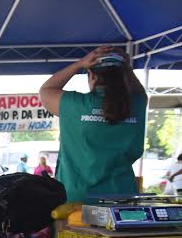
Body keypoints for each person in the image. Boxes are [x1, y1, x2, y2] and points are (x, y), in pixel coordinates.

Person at [39, 46, 146, 202]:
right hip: (122, 197)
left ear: (92, 77)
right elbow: (139, 92)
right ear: (123, 77)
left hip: (76, 200)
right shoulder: (136, 104)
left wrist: (79, 64)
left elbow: (47, 89)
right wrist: (126, 68)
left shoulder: (75, 105)